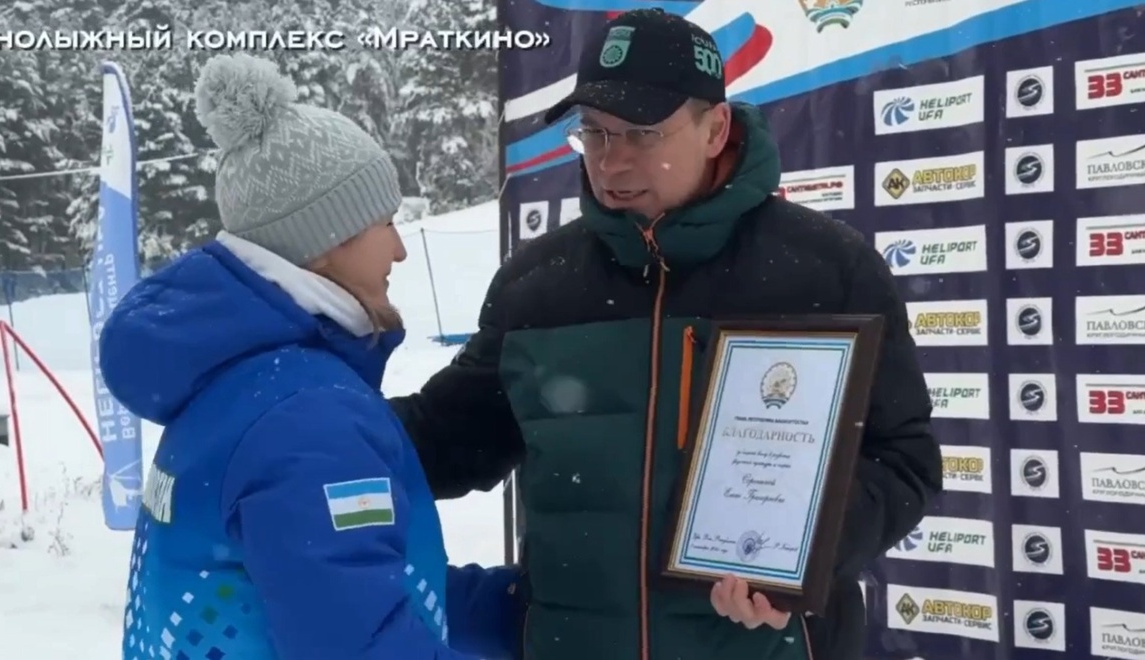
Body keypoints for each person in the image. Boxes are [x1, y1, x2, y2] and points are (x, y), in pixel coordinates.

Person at [389, 9, 942, 660]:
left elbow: (902, 457)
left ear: (716, 129)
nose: (611, 160)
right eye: (593, 131)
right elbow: (447, 439)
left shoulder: (827, 271)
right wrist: (314, 426)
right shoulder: (535, 287)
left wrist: (809, 551)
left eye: (642, 133)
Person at [100, 53, 519, 660]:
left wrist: (520, 608)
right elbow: (363, 647)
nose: (399, 250)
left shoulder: (241, 383)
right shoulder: (308, 418)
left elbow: (347, 594)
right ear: (325, 241)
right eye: (385, 222)